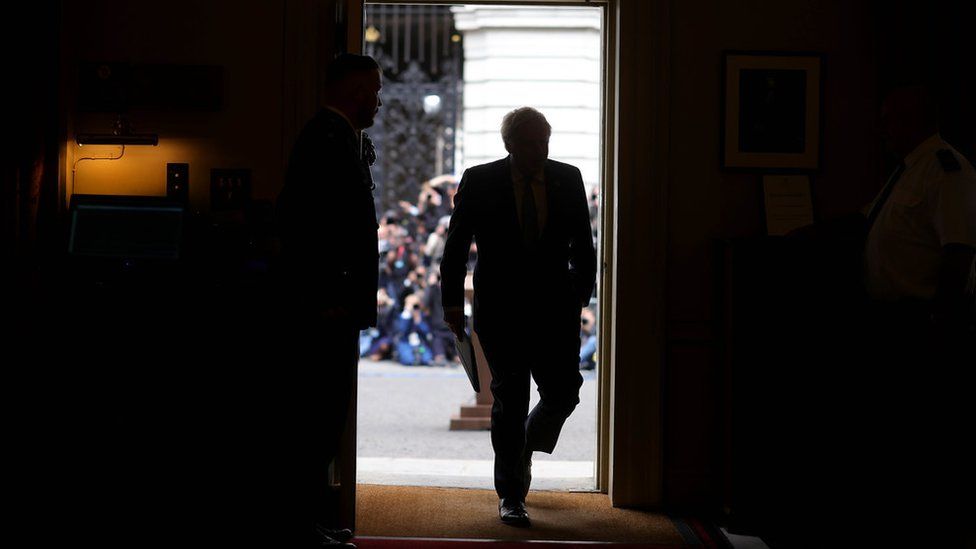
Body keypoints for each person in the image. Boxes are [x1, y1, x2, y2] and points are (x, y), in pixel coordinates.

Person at [440, 107, 596, 527]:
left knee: (564, 392)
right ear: (509, 144)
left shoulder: (567, 178)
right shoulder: (481, 179)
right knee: (510, 400)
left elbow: (584, 244)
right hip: (501, 309)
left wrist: (578, 296)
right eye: (529, 143)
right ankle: (511, 494)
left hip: (555, 309)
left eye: (544, 141)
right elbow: (456, 247)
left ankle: (523, 447)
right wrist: (452, 304)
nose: (539, 151)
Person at [275, 53, 382, 549]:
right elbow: (311, 227)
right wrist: (328, 298)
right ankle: (301, 529)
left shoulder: (336, 137)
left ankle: (308, 524)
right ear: (358, 91)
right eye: (375, 91)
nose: (379, 101)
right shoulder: (327, 139)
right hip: (325, 309)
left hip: (331, 304)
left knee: (322, 418)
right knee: (315, 421)